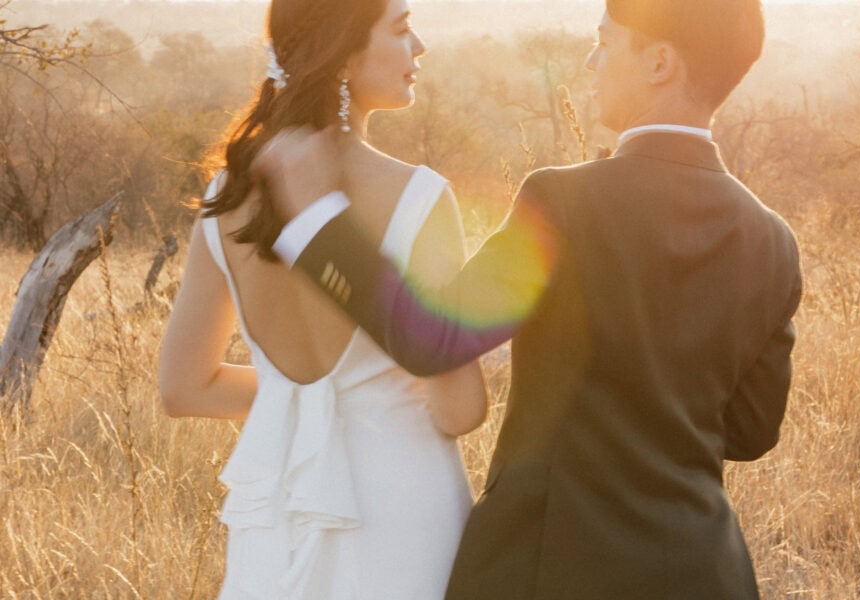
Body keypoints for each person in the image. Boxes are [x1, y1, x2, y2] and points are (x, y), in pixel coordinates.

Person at [253, 0, 804, 598]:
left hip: (552, 565)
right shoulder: (772, 238)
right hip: (706, 571)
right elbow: (752, 431)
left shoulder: (566, 202)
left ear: (660, 63)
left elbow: (431, 338)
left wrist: (317, 221)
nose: (591, 63)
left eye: (605, 43)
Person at [157, 0, 488, 597]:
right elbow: (458, 409)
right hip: (405, 512)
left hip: (279, 510)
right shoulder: (420, 197)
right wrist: (383, 391)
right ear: (342, 57)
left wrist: (297, 399)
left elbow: (185, 387)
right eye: (403, 28)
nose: (420, 49)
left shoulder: (228, 195)